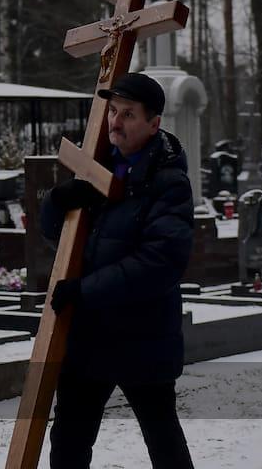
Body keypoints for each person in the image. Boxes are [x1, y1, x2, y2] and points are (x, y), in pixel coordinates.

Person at [40, 72, 195, 469]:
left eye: (128, 114)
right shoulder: (97, 167)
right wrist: (57, 201)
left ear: (153, 123)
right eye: (113, 111)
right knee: (68, 444)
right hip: (89, 338)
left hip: (142, 337)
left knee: (163, 443)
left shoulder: (169, 182)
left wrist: (84, 290)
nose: (115, 122)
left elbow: (160, 262)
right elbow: (58, 235)